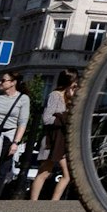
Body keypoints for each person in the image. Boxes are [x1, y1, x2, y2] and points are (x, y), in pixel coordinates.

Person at [28, 70, 76, 201]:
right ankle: (34, 201)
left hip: (61, 140)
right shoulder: (55, 95)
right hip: (51, 139)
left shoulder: (69, 98)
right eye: (74, 83)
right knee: (45, 172)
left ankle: (53, 202)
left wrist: (71, 98)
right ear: (69, 82)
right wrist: (63, 117)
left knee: (65, 173)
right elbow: (47, 118)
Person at [0, 70, 31, 198]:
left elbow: (22, 122)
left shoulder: (23, 99)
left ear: (13, 83)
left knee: (1, 171)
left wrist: (16, 143)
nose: (0, 82)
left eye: (3, 80)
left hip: (8, 138)